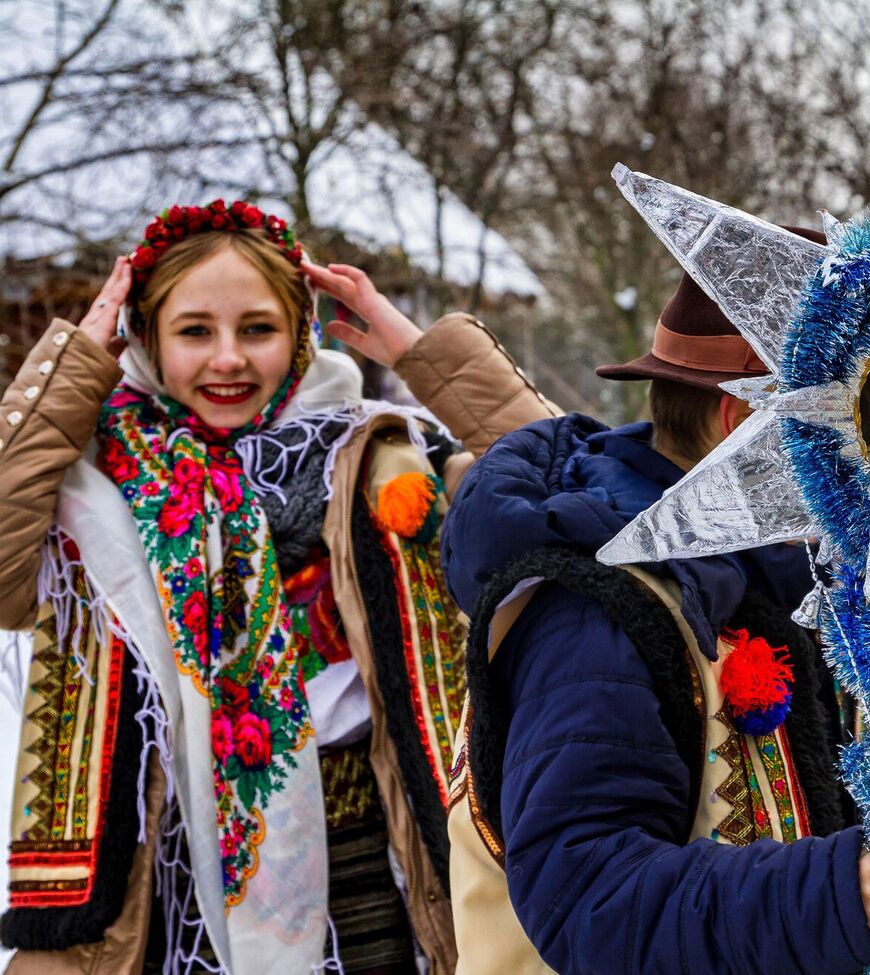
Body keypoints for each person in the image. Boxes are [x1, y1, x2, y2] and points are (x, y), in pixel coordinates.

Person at [0, 199, 555, 974]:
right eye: (194, 331)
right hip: (166, 890)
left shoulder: (385, 455)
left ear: (300, 334)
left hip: (388, 862)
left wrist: (426, 354)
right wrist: (71, 369)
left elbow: (567, 504)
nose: (228, 359)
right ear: (145, 338)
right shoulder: (94, 490)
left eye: (257, 329)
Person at [439, 257, 870, 974]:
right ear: (745, 424)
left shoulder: (750, 575)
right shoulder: (596, 617)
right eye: (862, 421)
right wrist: (830, 894)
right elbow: (586, 897)